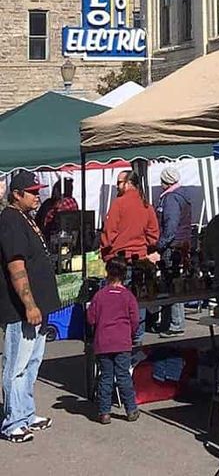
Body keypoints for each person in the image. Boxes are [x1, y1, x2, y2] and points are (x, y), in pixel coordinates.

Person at [0, 170, 61, 444]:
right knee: (17, 365)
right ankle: (12, 421)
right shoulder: (11, 221)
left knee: (33, 363)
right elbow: (16, 266)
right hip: (22, 309)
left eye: (38, 191)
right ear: (17, 194)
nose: (38, 196)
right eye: (33, 192)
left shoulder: (26, 218)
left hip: (39, 306)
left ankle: (26, 413)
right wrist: (29, 304)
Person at [86, 257, 140, 425]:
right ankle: (131, 409)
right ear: (124, 275)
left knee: (106, 377)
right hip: (122, 342)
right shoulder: (128, 296)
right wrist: (129, 333)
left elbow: (91, 319)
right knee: (123, 375)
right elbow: (135, 320)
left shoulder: (99, 296)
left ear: (107, 273)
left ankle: (104, 412)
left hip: (103, 342)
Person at [155, 165, 192, 336]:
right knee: (171, 283)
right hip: (181, 243)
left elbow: (170, 225)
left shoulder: (171, 199)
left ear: (166, 181)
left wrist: (160, 244)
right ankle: (168, 321)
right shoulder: (182, 195)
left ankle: (176, 324)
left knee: (171, 283)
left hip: (172, 245)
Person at [100, 170, 160, 262]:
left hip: (119, 259)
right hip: (141, 258)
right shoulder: (147, 205)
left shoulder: (118, 204)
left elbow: (109, 231)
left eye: (119, 182)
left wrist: (104, 249)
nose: (116, 186)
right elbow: (153, 234)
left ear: (128, 183)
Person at [39, 179, 79, 244]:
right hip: (71, 236)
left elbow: (49, 220)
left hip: (55, 235)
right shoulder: (73, 201)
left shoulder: (62, 203)